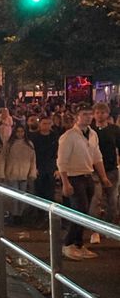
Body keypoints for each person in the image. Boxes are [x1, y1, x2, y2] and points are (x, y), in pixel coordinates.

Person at [57, 108, 110, 260]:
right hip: (74, 177)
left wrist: (104, 177)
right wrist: (65, 183)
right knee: (79, 211)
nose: (88, 117)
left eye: (89, 114)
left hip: (88, 176)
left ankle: (79, 244)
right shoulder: (68, 136)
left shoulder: (92, 134)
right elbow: (61, 161)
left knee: (85, 212)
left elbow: (97, 157)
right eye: (84, 115)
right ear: (76, 117)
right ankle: (68, 244)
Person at [90, 102, 119, 238]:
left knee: (112, 200)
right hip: (93, 170)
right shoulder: (89, 130)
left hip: (111, 169)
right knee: (96, 199)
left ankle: (109, 226)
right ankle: (95, 228)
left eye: (103, 112)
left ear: (107, 114)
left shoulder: (114, 130)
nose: (100, 115)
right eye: (97, 112)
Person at [3, 124, 36, 224]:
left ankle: (19, 215)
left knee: (22, 196)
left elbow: (33, 160)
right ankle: (15, 214)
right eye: (18, 131)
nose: (20, 134)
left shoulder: (29, 144)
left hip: (24, 173)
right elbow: (3, 159)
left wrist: (32, 172)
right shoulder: (9, 144)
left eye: (22, 131)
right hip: (12, 172)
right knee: (14, 196)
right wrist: (2, 173)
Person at [30, 116, 59, 208]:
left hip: (51, 167)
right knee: (38, 190)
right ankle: (39, 211)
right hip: (39, 166)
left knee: (50, 190)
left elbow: (58, 153)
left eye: (49, 123)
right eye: (44, 123)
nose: (46, 126)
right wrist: (34, 167)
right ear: (40, 124)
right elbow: (32, 154)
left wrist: (58, 168)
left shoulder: (55, 136)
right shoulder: (34, 137)